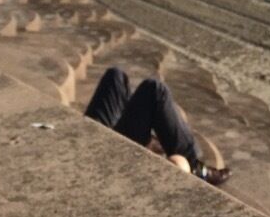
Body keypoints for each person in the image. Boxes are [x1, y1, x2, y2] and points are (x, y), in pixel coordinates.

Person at [83, 65, 230, 186]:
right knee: (154, 90)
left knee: (115, 76)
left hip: (94, 141)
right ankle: (196, 166)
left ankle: (145, 138)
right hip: (106, 158)